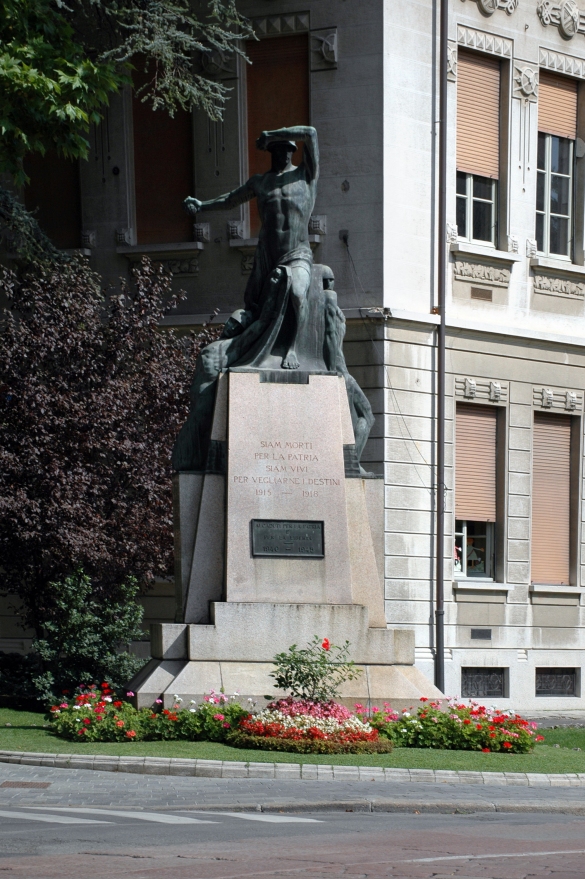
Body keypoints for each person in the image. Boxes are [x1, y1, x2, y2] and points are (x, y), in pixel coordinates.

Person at [184, 125, 319, 370]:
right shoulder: (261, 182)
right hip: (267, 255)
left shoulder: (306, 175)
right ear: (271, 152)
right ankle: (249, 350)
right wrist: (202, 205)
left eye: (288, 148)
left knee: (298, 294)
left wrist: (274, 134)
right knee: (253, 306)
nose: (283, 154)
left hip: (297, 252)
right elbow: (230, 200)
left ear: (292, 151)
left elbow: (310, 133)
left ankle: (292, 347)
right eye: (277, 150)